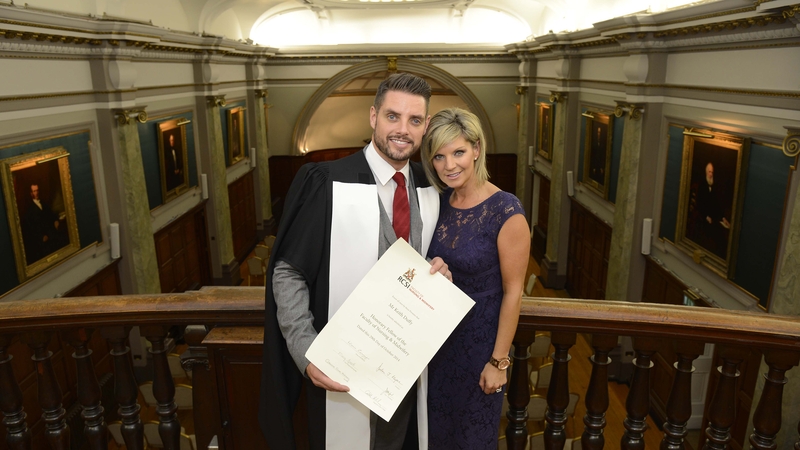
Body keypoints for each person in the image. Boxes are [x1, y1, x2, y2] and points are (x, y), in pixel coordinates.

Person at [259, 72, 451, 450]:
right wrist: (307, 351)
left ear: (426, 126)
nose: (402, 130)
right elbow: (288, 271)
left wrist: (440, 270)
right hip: (342, 368)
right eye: (392, 116)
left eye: (414, 120)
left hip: (406, 371)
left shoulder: (433, 188)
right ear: (373, 116)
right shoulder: (326, 182)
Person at [420, 108, 529, 449]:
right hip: (435, 348)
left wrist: (498, 362)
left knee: (471, 442)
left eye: (458, 152)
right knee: (434, 438)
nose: (449, 165)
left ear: (477, 149)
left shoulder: (505, 210)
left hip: (479, 352)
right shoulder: (438, 202)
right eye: (439, 156)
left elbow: (514, 293)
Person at [691, 161, 730, 258]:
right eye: (709, 172)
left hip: (714, 218)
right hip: (703, 218)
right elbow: (699, 205)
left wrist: (723, 218)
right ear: (706, 172)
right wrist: (705, 217)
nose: (711, 174)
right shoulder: (702, 185)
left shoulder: (715, 186)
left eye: (712, 172)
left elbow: (717, 205)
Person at [22, 183, 61, 264]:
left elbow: (52, 215)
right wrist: (41, 237)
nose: (36, 193)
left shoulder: (44, 204)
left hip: (52, 236)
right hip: (41, 243)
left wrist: (56, 220)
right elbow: (30, 228)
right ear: (31, 193)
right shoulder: (29, 210)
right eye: (34, 191)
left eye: (37, 190)